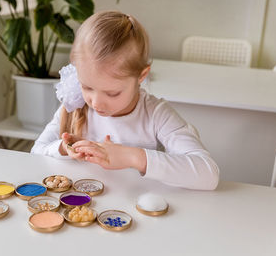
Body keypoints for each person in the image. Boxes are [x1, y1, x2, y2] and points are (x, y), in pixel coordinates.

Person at [31, 11, 219, 190]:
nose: (96, 103)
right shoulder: (74, 104)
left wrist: (132, 156)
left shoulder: (156, 114)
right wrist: (64, 148)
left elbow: (208, 174)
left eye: (112, 93)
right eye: (87, 87)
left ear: (141, 76)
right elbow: (35, 153)